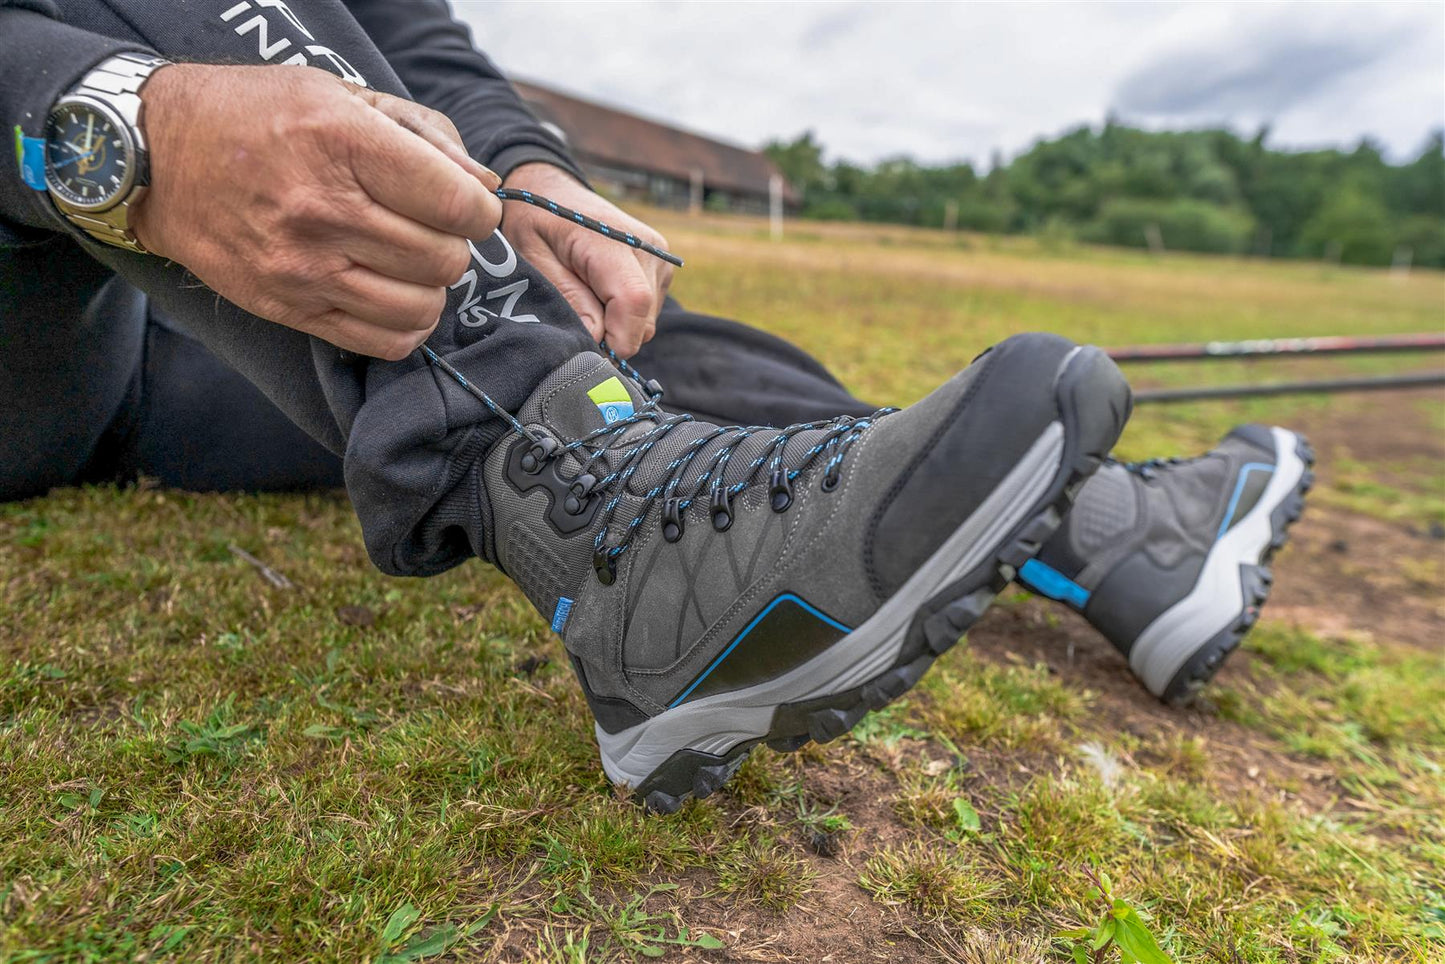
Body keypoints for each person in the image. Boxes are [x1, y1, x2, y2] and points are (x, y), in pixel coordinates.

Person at [0, 0, 1311, 809]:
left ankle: (1105, 534)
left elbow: (419, 41)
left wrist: (528, 168)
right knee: (466, 299)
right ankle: (613, 560)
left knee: (591, 313)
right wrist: (120, 129)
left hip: (182, 363)